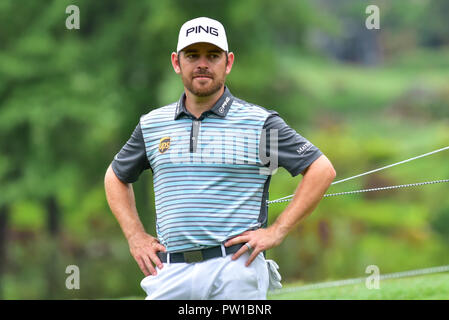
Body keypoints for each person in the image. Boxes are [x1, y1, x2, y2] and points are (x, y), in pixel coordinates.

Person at [104, 17, 336, 300]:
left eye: (213, 55)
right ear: (177, 63)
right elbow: (115, 177)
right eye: (193, 55)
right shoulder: (153, 125)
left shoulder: (260, 123)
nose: (202, 64)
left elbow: (321, 169)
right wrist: (135, 237)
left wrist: (277, 231)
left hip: (235, 270)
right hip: (170, 270)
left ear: (228, 63)